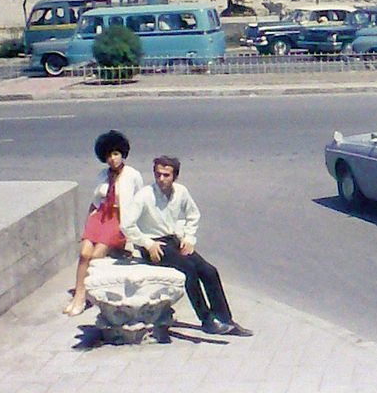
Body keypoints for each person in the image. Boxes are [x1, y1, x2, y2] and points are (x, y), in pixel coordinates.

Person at [121, 156, 252, 336]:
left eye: (166, 175)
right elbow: (126, 225)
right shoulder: (144, 195)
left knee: (209, 271)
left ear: (175, 176)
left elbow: (193, 215)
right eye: (158, 174)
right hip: (154, 245)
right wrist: (147, 244)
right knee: (189, 271)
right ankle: (206, 320)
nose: (161, 179)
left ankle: (225, 319)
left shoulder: (181, 192)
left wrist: (189, 238)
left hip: (173, 240)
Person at [64, 130, 145, 316]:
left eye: (116, 154)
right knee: (84, 253)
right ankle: (78, 295)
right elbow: (95, 200)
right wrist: (88, 223)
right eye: (109, 155)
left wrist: (135, 236)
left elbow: (140, 203)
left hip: (118, 219)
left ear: (122, 154)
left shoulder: (132, 175)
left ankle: (86, 295)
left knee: (96, 255)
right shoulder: (102, 175)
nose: (113, 159)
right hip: (100, 216)